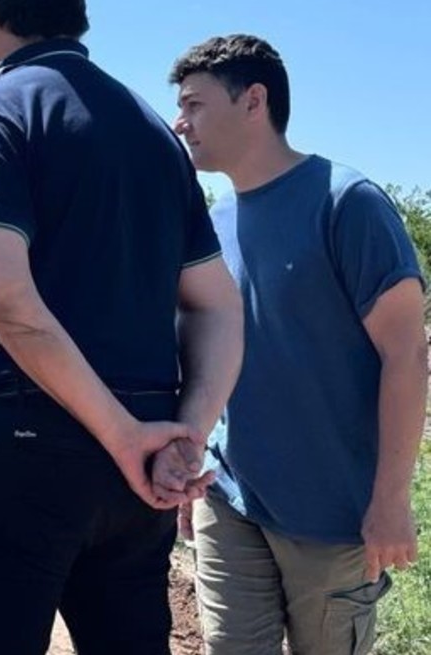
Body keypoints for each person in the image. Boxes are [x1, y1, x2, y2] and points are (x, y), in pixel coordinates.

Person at [0, 1, 245, 653]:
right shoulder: (154, 133)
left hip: (25, 452)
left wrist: (126, 435)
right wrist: (184, 436)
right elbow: (218, 306)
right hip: (138, 475)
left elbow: (10, 303)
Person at [170, 34, 426, 655]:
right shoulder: (212, 224)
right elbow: (205, 355)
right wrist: (190, 454)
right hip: (229, 496)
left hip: (332, 515)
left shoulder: (346, 203)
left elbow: (407, 354)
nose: (181, 123)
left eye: (195, 104)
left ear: (253, 101)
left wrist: (391, 500)